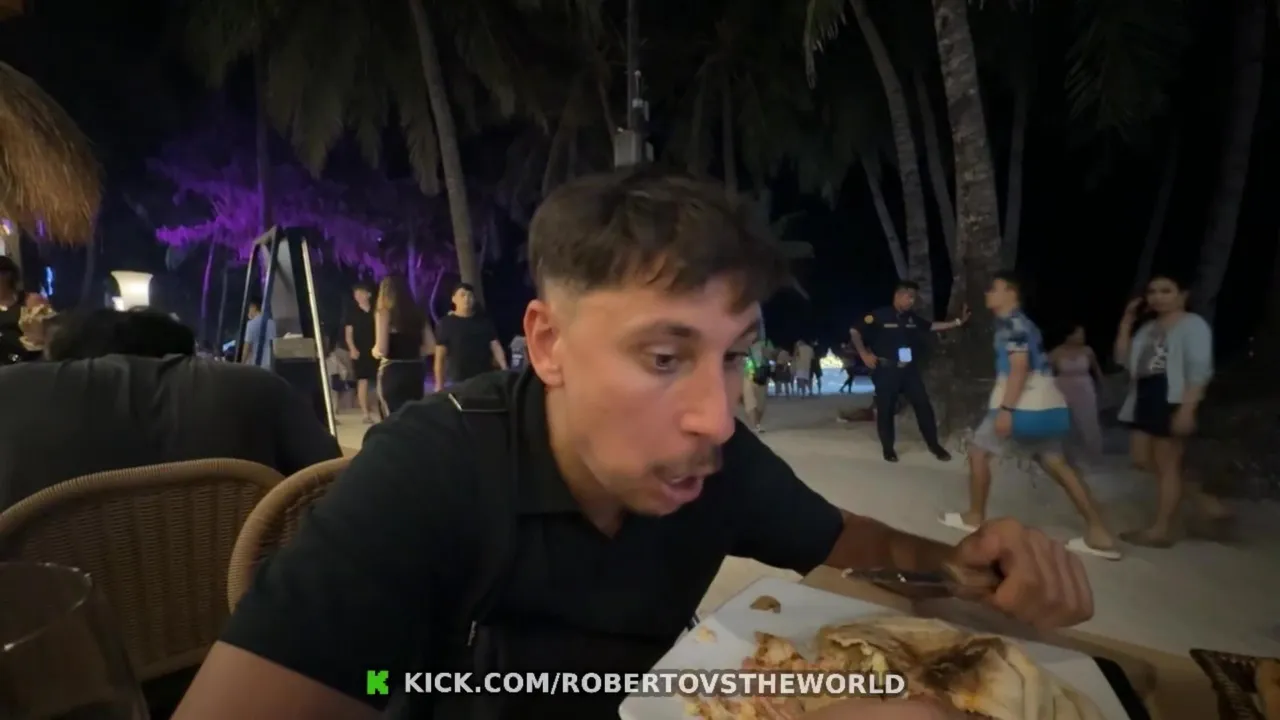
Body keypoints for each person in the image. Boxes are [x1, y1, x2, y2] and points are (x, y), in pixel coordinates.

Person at [173, 170, 1093, 720]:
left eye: (731, 357)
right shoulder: (432, 472)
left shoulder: (715, 461)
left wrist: (964, 563)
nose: (717, 418)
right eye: (664, 357)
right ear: (548, 346)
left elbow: (849, 542)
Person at [0, 308, 340, 512]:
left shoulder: (13, 393)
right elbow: (333, 488)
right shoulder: (257, 388)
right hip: (243, 597)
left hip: (53, 606)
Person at [940, 272, 1120, 560]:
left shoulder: (1012, 325)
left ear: (1011, 293)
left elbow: (1019, 368)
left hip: (1022, 406)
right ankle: (1099, 532)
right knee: (1057, 463)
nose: (988, 293)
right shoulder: (1026, 324)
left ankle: (974, 516)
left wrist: (1006, 410)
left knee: (978, 452)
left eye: (994, 289)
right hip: (1047, 407)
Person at [1114, 274, 1232, 547]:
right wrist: (1127, 322)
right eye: (1153, 291)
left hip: (1171, 394)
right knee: (1142, 458)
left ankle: (1162, 529)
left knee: (1167, 464)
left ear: (1183, 295)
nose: (1158, 297)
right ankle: (1206, 503)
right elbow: (1124, 360)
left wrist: (1187, 408)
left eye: (1166, 291)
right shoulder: (1148, 328)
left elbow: (1199, 370)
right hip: (1145, 394)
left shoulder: (1192, 325)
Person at [850, 280, 968, 462]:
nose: (912, 301)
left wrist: (957, 322)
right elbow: (855, 331)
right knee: (886, 409)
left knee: (923, 406)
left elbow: (931, 326)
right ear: (898, 295)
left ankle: (934, 445)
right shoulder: (879, 315)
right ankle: (888, 449)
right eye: (909, 297)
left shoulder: (912, 318)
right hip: (886, 370)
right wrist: (864, 354)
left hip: (908, 370)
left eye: (914, 298)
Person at [373, 275, 435, 414]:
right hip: (415, 372)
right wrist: (411, 351)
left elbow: (382, 349)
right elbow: (431, 347)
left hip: (393, 371)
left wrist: (374, 351)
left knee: (392, 418)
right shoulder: (418, 314)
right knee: (412, 416)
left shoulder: (384, 313)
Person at [433, 282, 506, 389]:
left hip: (484, 378)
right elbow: (440, 357)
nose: (466, 299)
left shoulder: (484, 321)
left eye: (470, 296)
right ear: (454, 299)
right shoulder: (446, 323)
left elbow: (495, 346)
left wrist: (504, 368)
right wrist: (439, 384)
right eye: (462, 295)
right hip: (457, 381)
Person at [1050, 325, 1105, 466]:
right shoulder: (1057, 352)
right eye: (1078, 334)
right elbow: (1048, 372)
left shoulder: (1087, 351)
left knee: (1089, 421)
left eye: (1083, 334)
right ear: (1068, 336)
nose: (1082, 337)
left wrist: (1102, 385)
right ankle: (1068, 458)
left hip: (1085, 388)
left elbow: (1096, 370)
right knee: (1066, 423)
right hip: (1063, 389)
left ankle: (1095, 456)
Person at [344, 283, 378, 423]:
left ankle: (379, 408)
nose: (357, 296)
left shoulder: (376, 310)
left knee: (379, 379)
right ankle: (365, 413)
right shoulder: (352, 312)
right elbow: (348, 334)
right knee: (363, 380)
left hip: (375, 348)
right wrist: (352, 348)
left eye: (360, 293)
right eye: (355, 294)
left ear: (368, 294)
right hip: (360, 350)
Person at [743, 327, 770, 432]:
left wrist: (766, 353)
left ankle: (757, 424)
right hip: (748, 375)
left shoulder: (766, 343)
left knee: (760, 403)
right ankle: (755, 425)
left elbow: (772, 356)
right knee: (751, 401)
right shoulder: (743, 344)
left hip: (760, 375)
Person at [242, 299, 276, 370]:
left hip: (256, 365)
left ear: (254, 307)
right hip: (270, 365)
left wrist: (242, 364)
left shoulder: (251, 324)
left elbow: (247, 347)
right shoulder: (272, 323)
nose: (248, 312)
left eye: (249, 309)